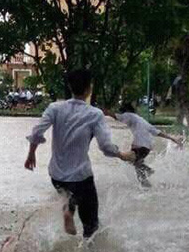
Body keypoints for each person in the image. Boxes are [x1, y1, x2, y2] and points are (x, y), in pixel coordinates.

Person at [24, 68, 134, 238]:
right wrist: (122, 155)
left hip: (57, 175)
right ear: (89, 88)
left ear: (69, 86)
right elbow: (105, 146)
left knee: (67, 194)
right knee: (91, 226)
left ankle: (68, 209)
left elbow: (37, 132)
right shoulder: (95, 114)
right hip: (81, 176)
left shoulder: (55, 108)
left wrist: (31, 154)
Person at [104, 101, 182, 188]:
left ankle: (149, 171)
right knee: (136, 164)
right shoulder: (141, 120)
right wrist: (172, 139)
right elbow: (157, 132)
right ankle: (146, 182)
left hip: (140, 146)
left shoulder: (129, 115)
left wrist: (103, 111)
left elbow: (116, 116)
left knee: (125, 158)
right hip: (147, 148)